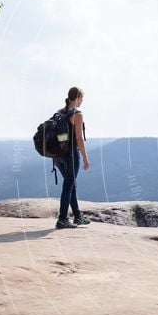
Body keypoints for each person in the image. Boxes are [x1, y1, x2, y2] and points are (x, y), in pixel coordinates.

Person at [54, 86, 91, 229]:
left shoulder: (60, 112)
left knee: (71, 185)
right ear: (78, 98)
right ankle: (62, 219)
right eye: (82, 98)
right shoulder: (77, 114)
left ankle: (77, 216)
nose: (82, 102)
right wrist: (86, 158)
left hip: (57, 157)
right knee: (68, 186)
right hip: (70, 155)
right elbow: (79, 139)